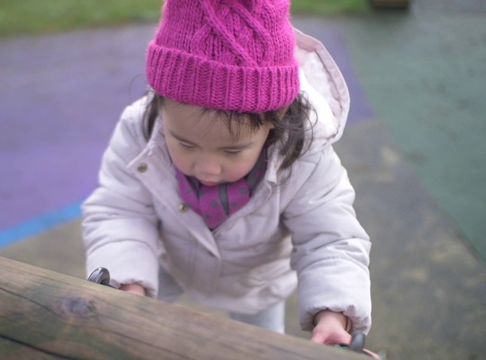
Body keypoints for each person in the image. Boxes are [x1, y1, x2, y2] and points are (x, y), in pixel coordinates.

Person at [82, 0, 372, 346]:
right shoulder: (139, 129)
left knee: (261, 348)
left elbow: (331, 239)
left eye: (233, 151)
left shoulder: (306, 156)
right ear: (160, 104)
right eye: (184, 144)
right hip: (165, 262)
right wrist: (126, 279)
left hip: (255, 284)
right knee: (132, 335)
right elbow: (120, 209)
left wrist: (334, 312)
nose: (207, 167)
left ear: (274, 121)